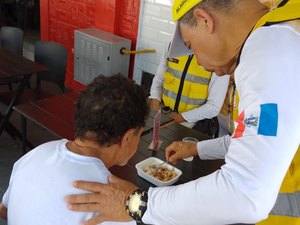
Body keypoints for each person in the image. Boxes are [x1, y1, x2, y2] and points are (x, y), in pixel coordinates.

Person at [65, 1, 300, 225]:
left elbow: (245, 192)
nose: (197, 60)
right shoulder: (281, 35)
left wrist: (135, 203)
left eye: (190, 46)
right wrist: (198, 148)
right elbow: (254, 142)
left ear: (205, 20)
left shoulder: (270, 50)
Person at [0, 74, 150, 224]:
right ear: (128, 138)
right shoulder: (112, 206)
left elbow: (5, 210)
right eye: (140, 134)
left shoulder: (34, 154)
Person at [149, 49, 229, 137]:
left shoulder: (220, 59)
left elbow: (214, 106)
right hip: (163, 118)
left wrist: (181, 117)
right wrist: (155, 101)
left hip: (192, 127)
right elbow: (158, 80)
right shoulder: (172, 46)